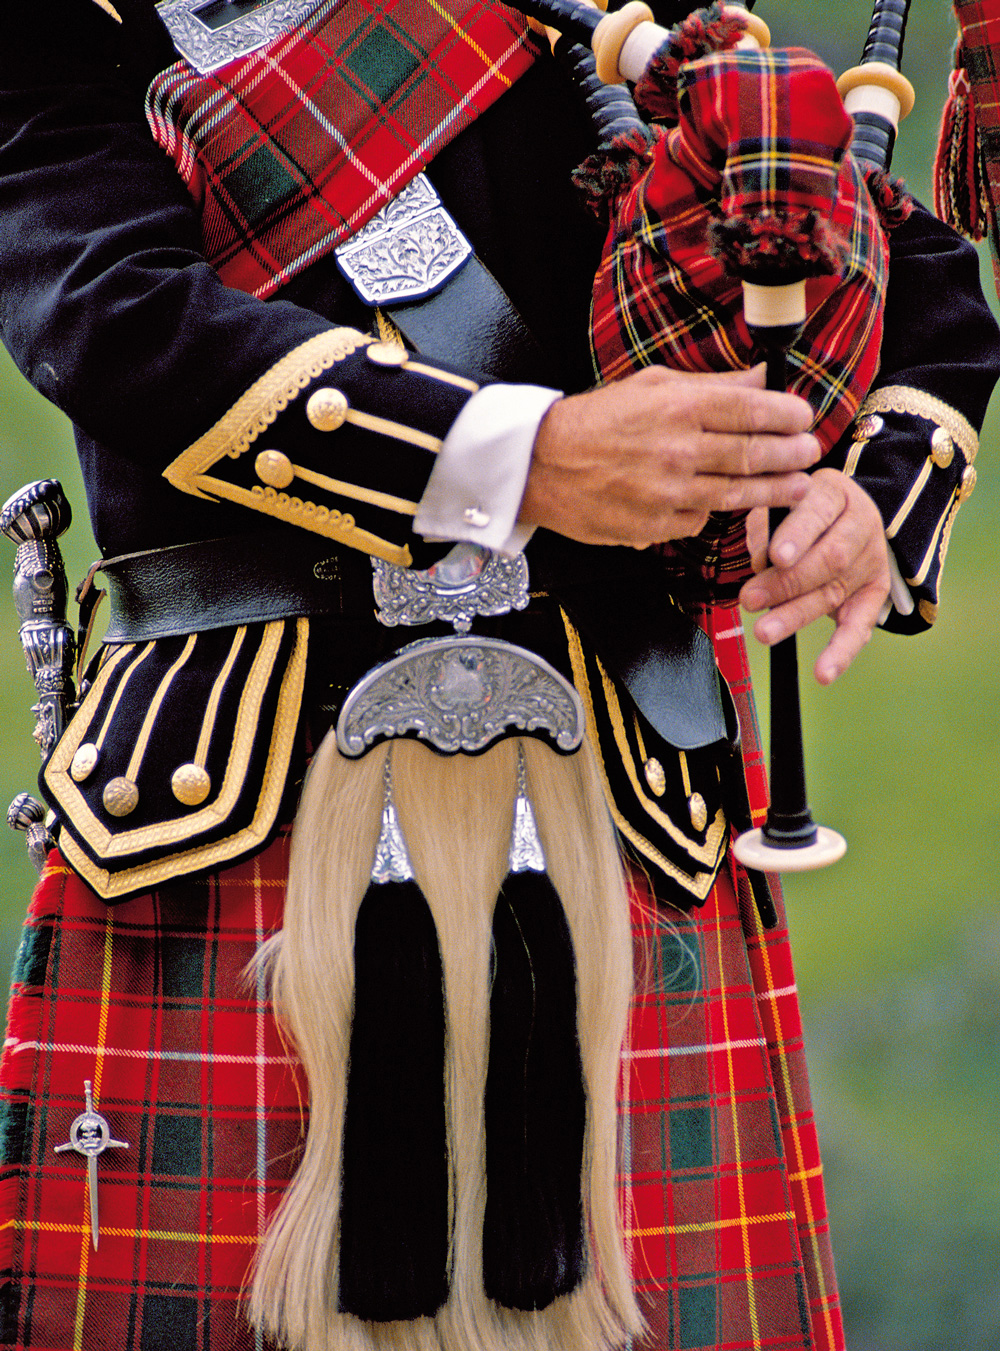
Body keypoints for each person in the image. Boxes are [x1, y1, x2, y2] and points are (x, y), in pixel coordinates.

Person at [0, 3, 995, 1351]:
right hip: (232, 818)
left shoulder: (597, 8)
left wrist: (873, 503)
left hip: (615, 813)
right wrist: (526, 459)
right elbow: (112, 316)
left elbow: (912, 279)